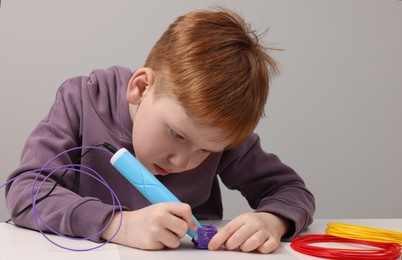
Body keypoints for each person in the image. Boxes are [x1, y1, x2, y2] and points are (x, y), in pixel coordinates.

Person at [5, 7, 315, 254]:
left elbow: (291, 192)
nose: (183, 161)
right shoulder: (82, 100)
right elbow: (26, 192)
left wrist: (272, 221)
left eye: (206, 150)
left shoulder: (220, 133)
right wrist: (117, 224)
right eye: (178, 135)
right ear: (140, 88)